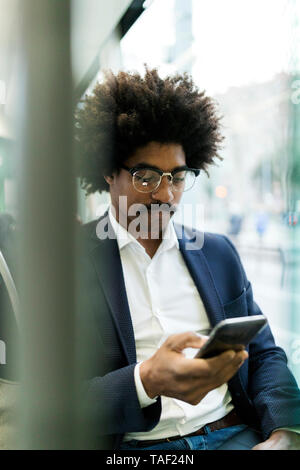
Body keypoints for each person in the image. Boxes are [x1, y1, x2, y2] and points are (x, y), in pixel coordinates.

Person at [75, 68, 300, 450]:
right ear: (108, 171)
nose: (166, 196)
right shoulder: (66, 263)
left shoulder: (218, 254)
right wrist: (146, 380)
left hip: (237, 434)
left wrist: (286, 433)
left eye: (177, 177)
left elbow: (265, 355)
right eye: (147, 177)